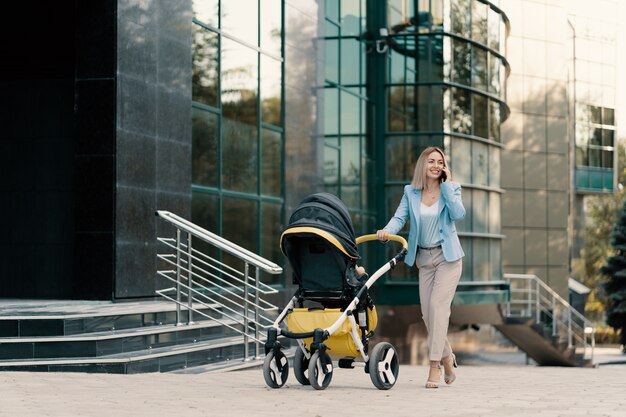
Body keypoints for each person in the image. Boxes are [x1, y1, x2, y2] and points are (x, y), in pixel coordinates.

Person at [376, 146, 465, 389]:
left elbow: (459, 213)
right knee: (428, 315)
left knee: (438, 307)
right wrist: (387, 231)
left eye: (440, 162)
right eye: (431, 162)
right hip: (424, 260)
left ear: (444, 166)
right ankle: (448, 357)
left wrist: (446, 187)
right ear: (422, 166)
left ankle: (434, 365)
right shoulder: (411, 192)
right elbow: (399, 218)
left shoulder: (452, 188)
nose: (436, 165)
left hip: (448, 259)